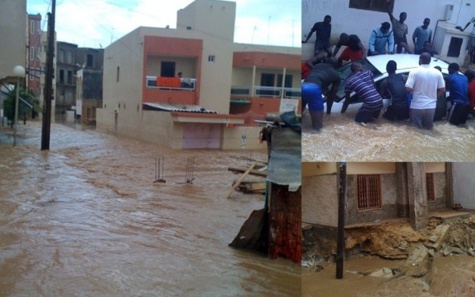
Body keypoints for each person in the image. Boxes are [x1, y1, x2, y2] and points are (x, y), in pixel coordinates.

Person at [405, 53, 445, 129]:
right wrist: (434, 97)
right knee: (427, 131)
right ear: (430, 61)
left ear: (420, 60)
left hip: (417, 106)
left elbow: (408, 88)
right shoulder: (437, 72)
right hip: (431, 107)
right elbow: (442, 90)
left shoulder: (414, 71)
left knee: (416, 131)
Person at [302, 57, 341, 131]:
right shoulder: (336, 76)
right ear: (336, 65)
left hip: (302, 85)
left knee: (299, 115)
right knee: (318, 128)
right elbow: (331, 96)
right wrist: (328, 113)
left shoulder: (318, 65)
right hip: (313, 89)